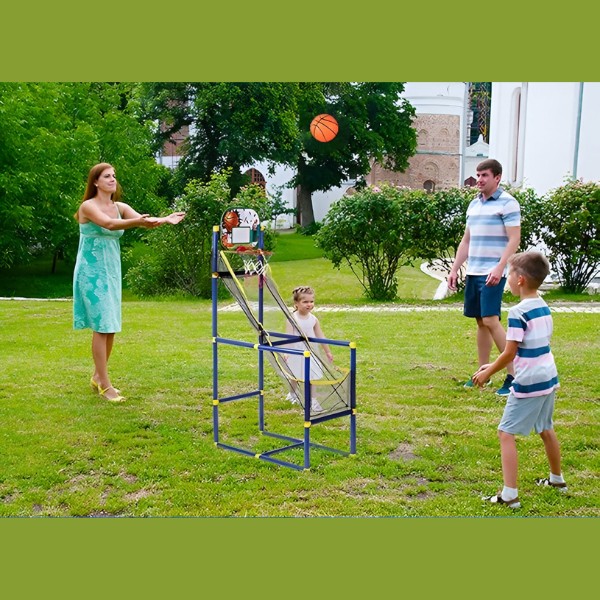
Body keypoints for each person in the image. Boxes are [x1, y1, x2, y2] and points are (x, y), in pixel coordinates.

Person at [73, 162, 185, 402]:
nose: (112, 179)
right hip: (91, 272)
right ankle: (105, 385)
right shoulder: (88, 206)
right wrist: (138, 222)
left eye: (114, 175)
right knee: (101, 326)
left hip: (111, 270)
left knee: (110, 325)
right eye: (107, 176)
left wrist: (165, 219)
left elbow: (146, 220)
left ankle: (98, 376)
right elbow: (110, 224)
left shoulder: (120, 207)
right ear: (95, 182)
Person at [472, 251, 565, 509]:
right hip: (548, 376)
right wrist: (492, 364)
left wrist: (488, 372)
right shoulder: (542, 305)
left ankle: (510, 495)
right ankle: (557, 480)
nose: (507, 279)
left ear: (520, 279)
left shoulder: (517, 312)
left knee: (505, 433)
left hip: (529, 381)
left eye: (509, 274)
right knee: (545, 427)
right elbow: (525, 348)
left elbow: (509, 352)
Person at [448, 158, 521, 396]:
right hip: (474, 271)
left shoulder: (508, 203)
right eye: (478, 175)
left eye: (485, 175)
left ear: (497, 177)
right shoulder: (474, 205)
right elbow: (466, 241)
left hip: (493, 272)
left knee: (490, 320)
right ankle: (483, 375)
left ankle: (514, 376)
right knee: (480, 322)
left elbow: (514, 239)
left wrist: (500, 267)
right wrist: (454, 269)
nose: (479, 180)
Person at [284, 286, 334, 414]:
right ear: (296, 303)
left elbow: (320, 336)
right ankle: (292, 394)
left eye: (311, 301)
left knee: (312, 377)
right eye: (305, 302)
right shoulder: (292, 319)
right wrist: (287, 352)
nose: (309, 304)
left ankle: (313, 401)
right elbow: (289, 337)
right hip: (296, 352)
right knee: (295, 376)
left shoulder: (313, 319)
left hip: (311, 352)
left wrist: (327, 351)